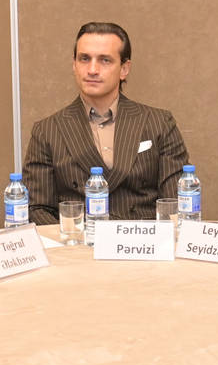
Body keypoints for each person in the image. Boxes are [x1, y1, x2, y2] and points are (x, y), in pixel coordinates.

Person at [23, 22, 190, 223]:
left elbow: (177, 202)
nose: (92, 70)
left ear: (124, 69)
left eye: (105, 60)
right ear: (74, 65)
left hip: (142, 239)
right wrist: (72, 239)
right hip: (79, 239)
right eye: (84, 59)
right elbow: (37, 208)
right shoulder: (47, 131)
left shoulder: (159, 123)